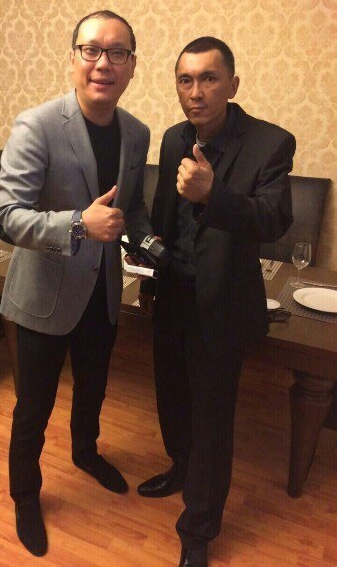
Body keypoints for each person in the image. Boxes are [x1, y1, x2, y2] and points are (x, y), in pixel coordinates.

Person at [0, 10, 152, 557]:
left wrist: (148, 239)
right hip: (43, 295)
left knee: (93, 388)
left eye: (117, 52)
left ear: (132, 65)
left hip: (103, 293)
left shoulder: (137, 133)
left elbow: (132, 208)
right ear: (74, 57)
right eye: (91, 50)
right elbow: (6, 216)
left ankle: (86, 452)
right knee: (32, 408)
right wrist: (79, 225)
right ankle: (25, 495)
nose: (103, 63)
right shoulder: (36, 125)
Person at [137, 37, 295, 567]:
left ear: (232, 84)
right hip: (174, 292)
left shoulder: (269, 143)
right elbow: (164, 212)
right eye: (185, 80)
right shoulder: (173, 138)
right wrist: (151, 279)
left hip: (222, 302)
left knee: (211, 417)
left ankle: (198, 530)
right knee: (172, 398)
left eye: (209, 78)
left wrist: (214, 195)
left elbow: (273, 219)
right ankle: (181, 469)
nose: (196, 91)